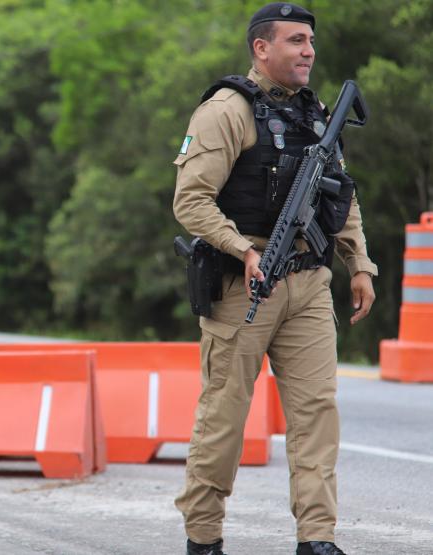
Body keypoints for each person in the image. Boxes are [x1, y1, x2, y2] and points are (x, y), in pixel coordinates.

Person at [172, 3, 376, 555]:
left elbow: (341, 195)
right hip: (246, 286)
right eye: (294, 41)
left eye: (310, 40)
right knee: (224, 418)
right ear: (261, 48)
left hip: (309, 283)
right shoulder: (226, 111)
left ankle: (317, 538)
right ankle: (204, 536)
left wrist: (358, 264)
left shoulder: (319, 113)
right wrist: (242, 249)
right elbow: (190, 203)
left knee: (316, 416)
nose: (308, 50)